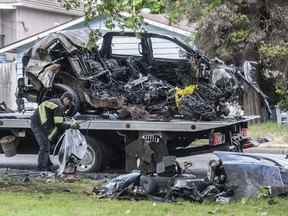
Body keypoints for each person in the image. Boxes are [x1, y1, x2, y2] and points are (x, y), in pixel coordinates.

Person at [31, 92, 79, 171]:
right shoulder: (59, 105)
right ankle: (41, 168)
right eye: (69, 102)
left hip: (39, 122)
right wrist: (71, 126)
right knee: (44, 146)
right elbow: (59, 124)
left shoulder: (56, 102)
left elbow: (58, 118)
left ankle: (48, 165)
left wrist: (66, 120)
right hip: (38, 124)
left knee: (47, 145)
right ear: (65, 99)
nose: (68, 105)